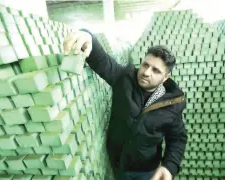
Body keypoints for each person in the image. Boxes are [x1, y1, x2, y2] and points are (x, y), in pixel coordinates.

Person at [63, 30, 187, 180]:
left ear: (165, 77)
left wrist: (169, 166)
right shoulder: (124, 79)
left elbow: (178, 138)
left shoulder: (171, 103)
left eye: (156, 70)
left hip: (147, 171)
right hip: (118, 166)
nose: (147, 72)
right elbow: (103, 61)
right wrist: (87, 36)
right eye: (145, 65)